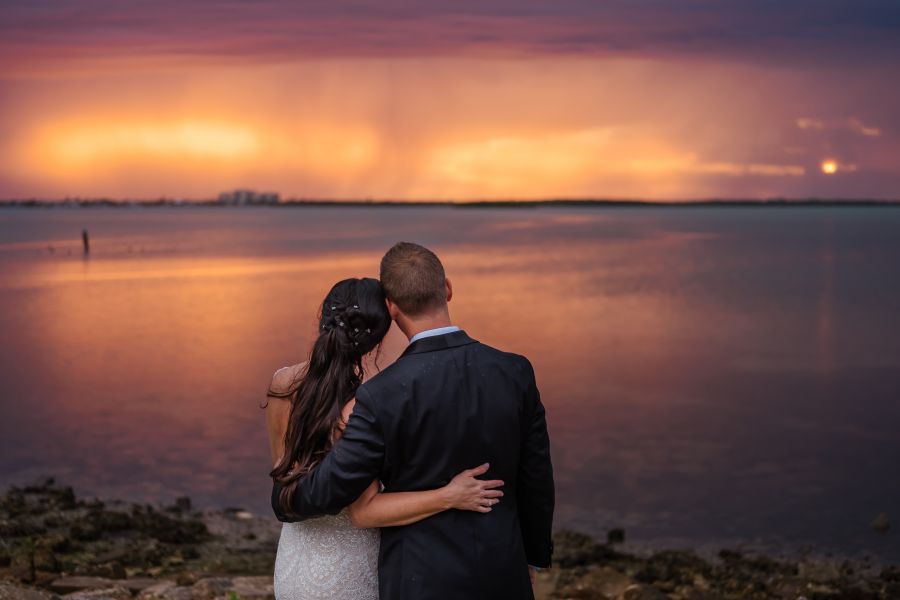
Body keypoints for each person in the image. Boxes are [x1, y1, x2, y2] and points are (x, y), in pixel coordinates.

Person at [272, 242, 555, 599]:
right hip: (502, 568)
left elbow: (330, 489)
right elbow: (537, 478)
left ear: (392, 308)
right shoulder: (515, 371)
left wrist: (285, 495)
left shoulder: (382, 395)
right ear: (448, 288)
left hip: (419, 578)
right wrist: (533, 560)